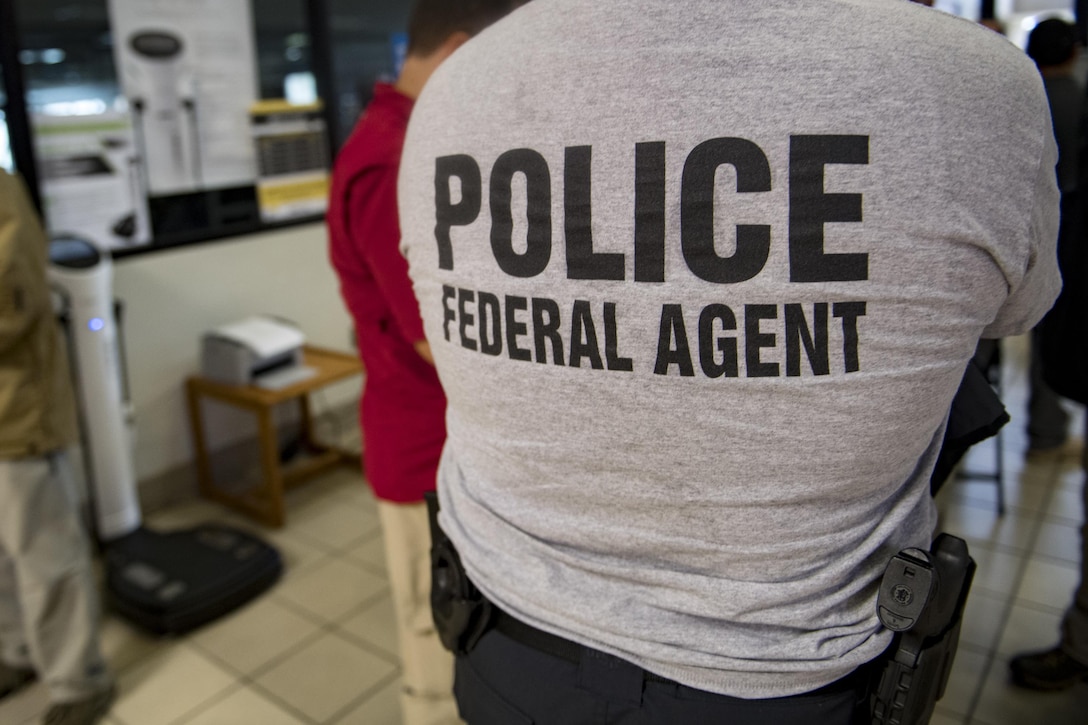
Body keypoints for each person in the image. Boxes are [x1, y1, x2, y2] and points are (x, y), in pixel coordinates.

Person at [397, 1, 1062, 722]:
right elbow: (1015, 313)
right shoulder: (971, 83)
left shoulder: (455, 87)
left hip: (504, 647)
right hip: (778, 671)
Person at [326, 2, 526, 722]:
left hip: (440, 435)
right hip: (418, 447)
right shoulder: (391, 158)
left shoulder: (410, 138)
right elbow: (435, 341)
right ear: (462, 51)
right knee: (434, 630)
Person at [0, 169, 114, 724]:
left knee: (43, 550)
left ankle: (77, 679)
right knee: (2, 554)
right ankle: (16, 651)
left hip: (14, 410)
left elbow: (12, 301)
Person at [1009, 16, 1088, 692]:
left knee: (1045, 356)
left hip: (1054, 258)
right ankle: (1047, 431)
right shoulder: (1071, 101)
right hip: (1061, 256)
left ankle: (1045, 428)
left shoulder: (1021, 98)